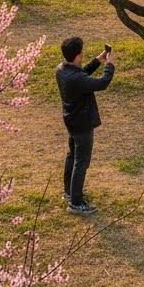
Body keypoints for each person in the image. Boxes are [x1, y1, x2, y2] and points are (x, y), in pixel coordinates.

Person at [55, 37, 115, 215]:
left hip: (71, 120)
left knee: (72, 156)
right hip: (82, 123)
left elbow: (83, 74)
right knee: (81, 161)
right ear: (78, 54)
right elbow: (102, 83)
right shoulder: (76, 78)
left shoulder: (62, 70)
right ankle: (76, 202)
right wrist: (110, 65)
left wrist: (99, 59)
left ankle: (70, 192)